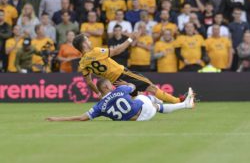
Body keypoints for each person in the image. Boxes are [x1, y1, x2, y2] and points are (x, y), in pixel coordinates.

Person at [73, 33, 186, 104]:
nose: (90, 41)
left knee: (137, 98)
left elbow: (89, 82)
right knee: (151, 87)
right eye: (87, 39)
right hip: (124, 74)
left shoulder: (82, 63)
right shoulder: (95, 52)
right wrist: (130, 40)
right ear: (84, 44)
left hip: (115, 82)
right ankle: (178, 101)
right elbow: (117, 51)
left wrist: (98, 93)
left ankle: (159, 104)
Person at [46, 79, 195, 121]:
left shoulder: (99, 106)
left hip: (138, 120)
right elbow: (132, 86)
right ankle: (184, 104)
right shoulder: (120, 89)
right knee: (144, 94)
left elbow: (81, 118)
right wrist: (125, 84)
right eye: (110, 84)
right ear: (105, 86)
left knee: (150, 102)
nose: (113, 85)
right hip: (145, 111)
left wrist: (57, 119)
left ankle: (181, 104)